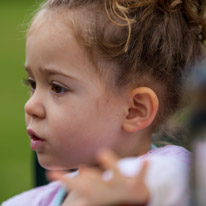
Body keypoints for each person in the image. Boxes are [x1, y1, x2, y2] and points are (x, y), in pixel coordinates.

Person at [2, 0, 206, 205]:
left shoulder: (175, 174)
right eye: (32, 83)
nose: (30, 106)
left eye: (58, 88)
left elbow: (176, 178)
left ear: (135, 110)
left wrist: (137, 191)